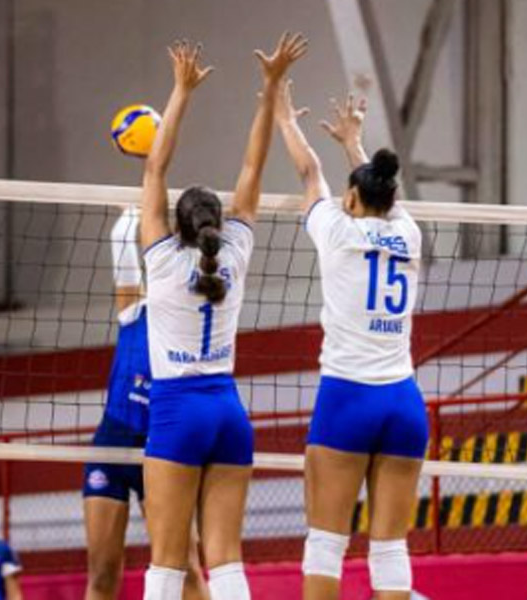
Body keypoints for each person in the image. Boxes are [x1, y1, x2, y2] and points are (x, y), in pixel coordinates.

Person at [139, 34, 307, 600]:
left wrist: (181, 91)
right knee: (226, 562)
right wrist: (269, 89)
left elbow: (154, 167)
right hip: (228, 413)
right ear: (216, 222)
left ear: (177, 224)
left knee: (166, 562)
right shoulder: (234, 253)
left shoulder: (161, 261)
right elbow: (252, 164)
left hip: (175, 413)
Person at [273, 82, 427, 600]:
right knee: (389, 549)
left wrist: (282, 114)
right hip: (403, 402)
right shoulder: (409, 234)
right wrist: (355, 145)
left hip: (348, 398)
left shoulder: (336, 232)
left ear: (351, 198)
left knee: (326, 543)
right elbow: (384, 195)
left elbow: (308, 172)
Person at [82, 206, 208, 600]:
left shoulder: (196, 320)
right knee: (102, 573)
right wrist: (143, 195)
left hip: (163, 449)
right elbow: (121, 240)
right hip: (114, 445)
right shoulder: (136, 310)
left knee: (185, 567)